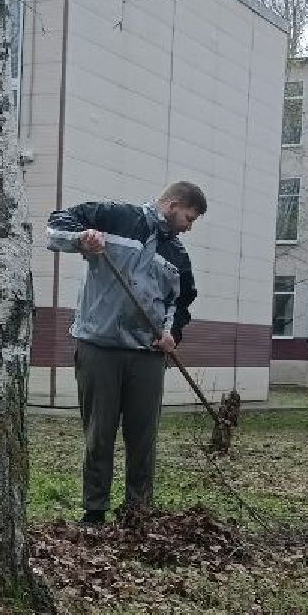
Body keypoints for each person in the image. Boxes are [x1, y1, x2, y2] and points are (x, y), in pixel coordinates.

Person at [45, 182, 205, 525]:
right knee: (99, 433)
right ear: (174, 204)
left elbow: (181, 302)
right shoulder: (115, 218)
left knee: (142, 437)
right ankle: (94, 510)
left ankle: (138, 510)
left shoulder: (177, 255)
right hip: (98, 348)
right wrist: (83, 237)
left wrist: (170, 333)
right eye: (188, 218)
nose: (189, 227)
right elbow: (57, 223)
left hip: (147, 356)